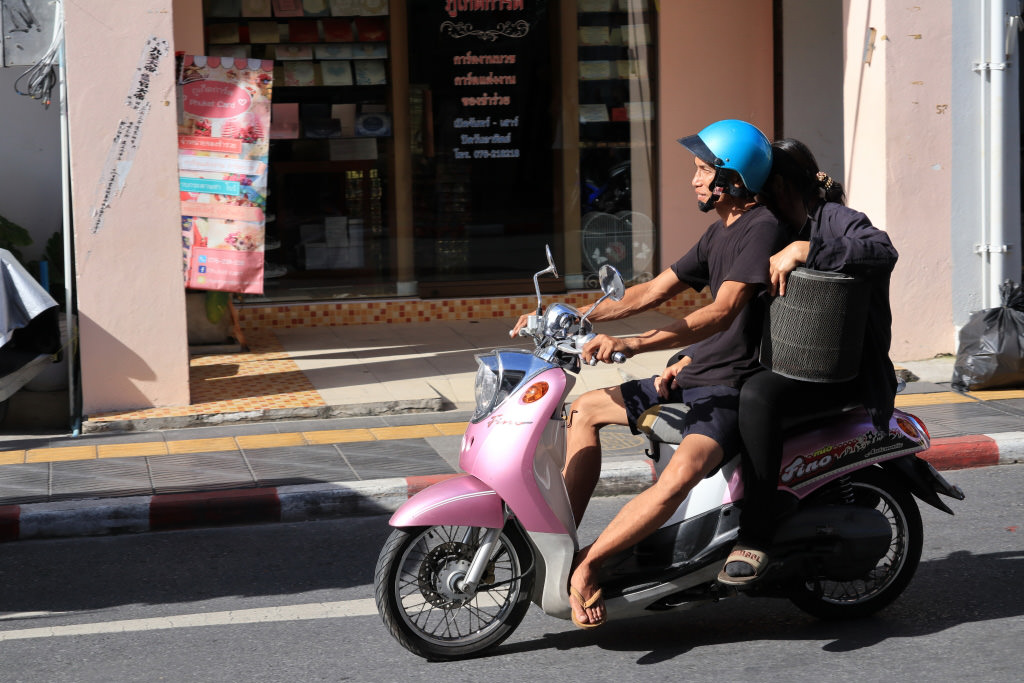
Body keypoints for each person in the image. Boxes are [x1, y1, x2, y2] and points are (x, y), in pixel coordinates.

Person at [524, 120, 788, 629]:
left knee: (677, 478)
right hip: (694, 371)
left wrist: (636, 344)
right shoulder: (720, 232)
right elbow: (650, 291)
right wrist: (571, 316)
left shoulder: (761, 228)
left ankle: (590, 569)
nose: (693, 179)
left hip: (732, 385)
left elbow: (723, 311)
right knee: (584, 410)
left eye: (702, 169)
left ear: (731, 179)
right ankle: (563, 541)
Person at [716, 138, 899, 585]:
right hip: (789, 361)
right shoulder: (770, 227)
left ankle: (755, 535)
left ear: (778, 185)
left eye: (756, 187)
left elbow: (882, 250)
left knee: (758, 395)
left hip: (845, 373)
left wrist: (807, 251)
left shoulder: (834, 220)